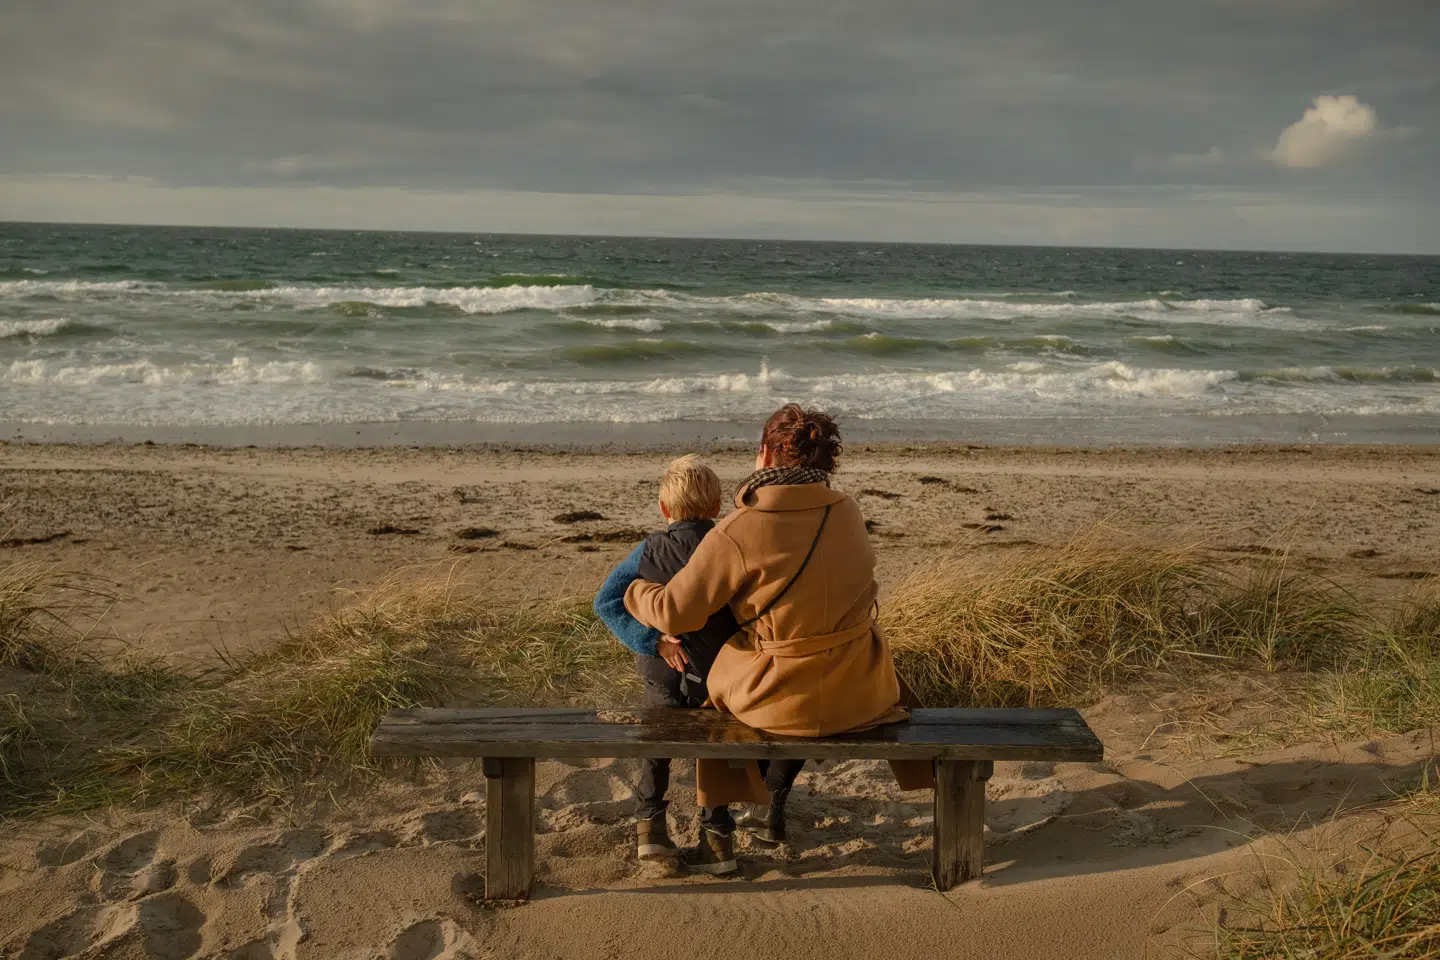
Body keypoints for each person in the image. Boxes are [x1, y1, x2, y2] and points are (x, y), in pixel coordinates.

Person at [624, 404, 933, 874]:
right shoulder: (848, 511)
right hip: (861, 688)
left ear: (765, 452)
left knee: (717, 691)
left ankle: (717, 839)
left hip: (786, 697)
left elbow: (675, 612)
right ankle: (769, 805)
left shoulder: (740, 527)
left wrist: (635, 592)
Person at [592, 455, 741, 870]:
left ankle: (650, 832)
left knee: (655, 750)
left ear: (663, 509)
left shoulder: (648, 550)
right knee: (713, 754)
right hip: (721, 675)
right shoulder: (729, 547)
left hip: (662, 673)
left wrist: (652, 640)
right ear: (716, 509)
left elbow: (605, 603)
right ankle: (717, 843)